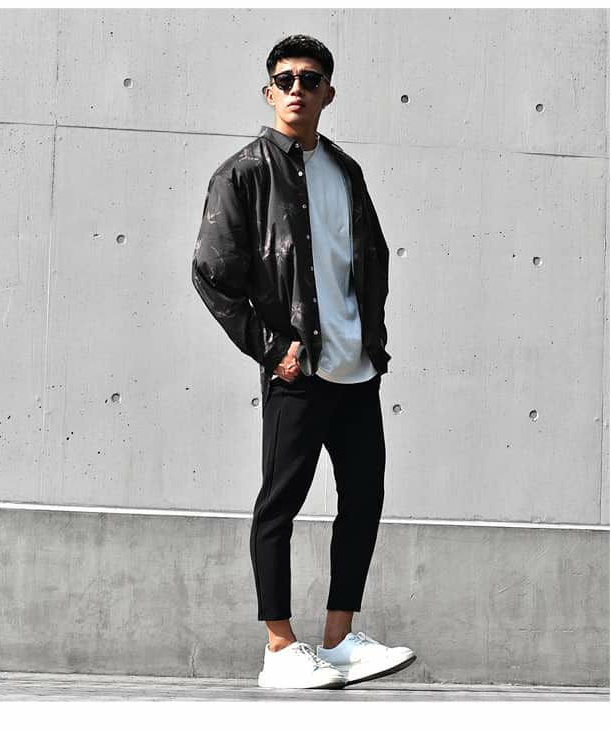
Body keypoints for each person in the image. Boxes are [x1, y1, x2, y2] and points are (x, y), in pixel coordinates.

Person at [191, 34, 415, 690]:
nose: (297, 88)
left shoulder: (345, 171)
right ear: (269, 93)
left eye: (310, 79)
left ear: (328, 93)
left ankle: (339, 640)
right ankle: (279, 647)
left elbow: (369, 260)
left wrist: (371, 340)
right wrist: (272, 349)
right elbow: (211, 273)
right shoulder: (243, 174)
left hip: (355, 369)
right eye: (285, 79)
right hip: (299, 370)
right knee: (280, 504)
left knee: (364, 498)